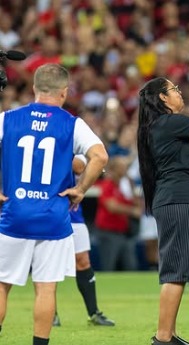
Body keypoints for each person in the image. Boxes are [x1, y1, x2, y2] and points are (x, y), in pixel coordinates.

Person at [0, 63, 108, 345]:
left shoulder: (8, 119)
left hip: (14, 214)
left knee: (2, 285)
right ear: (64, 92)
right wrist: (81, 188)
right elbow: (100, 156)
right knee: (45, 289)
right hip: (53, 216)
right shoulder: (72, 124)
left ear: (34, 89)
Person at [137, 58, 189, 345]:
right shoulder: (167, 123)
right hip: (177, 200)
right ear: (162, 98)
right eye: (173, 89)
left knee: (180, 270)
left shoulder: (166, 125)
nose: (179, 92)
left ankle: (169, 335)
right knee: (175, 271)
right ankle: (162, 338)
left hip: (177, 199)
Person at [53, 155, 115, 327]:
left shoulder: (74, 141)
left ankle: (93, 313)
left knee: (83, 261)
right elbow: (80, 165)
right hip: (51, 214)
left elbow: (81, 165)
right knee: (49, 264)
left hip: (73, 214)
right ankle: (51, 314)